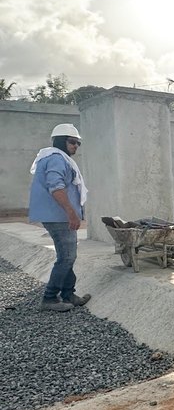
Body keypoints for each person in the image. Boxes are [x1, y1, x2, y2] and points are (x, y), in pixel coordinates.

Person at [29, 123, 91, 312]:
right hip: (59, 216)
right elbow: (56, 187)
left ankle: (68, 294)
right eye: (72, 142)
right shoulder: (56, 159)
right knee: (67, 257)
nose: (76, 146)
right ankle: (49, 298)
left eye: (78, 143)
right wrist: (71, 213)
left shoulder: (54, 157)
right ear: (61, 141)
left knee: (66, 256)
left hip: (57, 215)